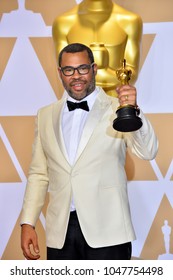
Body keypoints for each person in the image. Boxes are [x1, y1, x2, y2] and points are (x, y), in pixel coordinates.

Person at [20, 43, 158, 260]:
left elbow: (147, 151)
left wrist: (134, 110)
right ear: (60, 73)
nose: (76, 76)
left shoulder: (116, 108)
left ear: (94, 69)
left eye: (82, 68)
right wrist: (28, 222)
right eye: (69, 70)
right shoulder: (45, 115)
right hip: (61, 233)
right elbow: (39, 173)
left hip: (108, 232)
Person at [52, 0, 143, 97]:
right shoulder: (63, 22)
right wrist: (105, 73)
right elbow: (64, 73)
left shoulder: (130, 20)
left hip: (116, 103)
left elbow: (131, 75)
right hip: (77, 102)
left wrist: (87, 74)